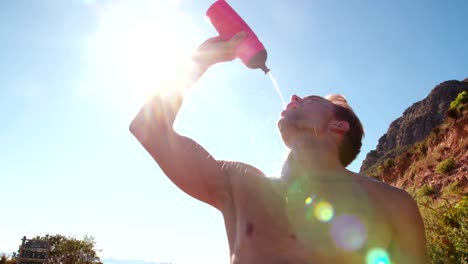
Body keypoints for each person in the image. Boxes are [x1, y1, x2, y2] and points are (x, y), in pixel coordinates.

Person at [129, 33, 429, 264]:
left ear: (340, 126)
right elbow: (148, 129)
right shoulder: (240, 184)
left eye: (312, 100)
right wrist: (202, 59)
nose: (295, 96)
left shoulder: (393, 203)